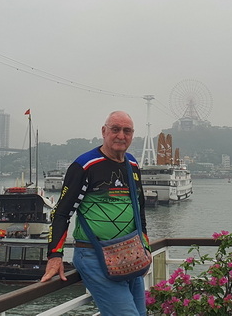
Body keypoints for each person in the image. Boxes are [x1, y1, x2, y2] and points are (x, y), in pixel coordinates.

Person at [40, 111, 148, 316]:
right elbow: (61, 213)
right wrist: (55, 255)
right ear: (104, 131)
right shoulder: (85, 165)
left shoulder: (132, 164)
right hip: (94, 254)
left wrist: (146, 246)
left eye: (127, 131)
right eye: (115, 129)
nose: (121, 136)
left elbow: (139, 207)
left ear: (132, 135)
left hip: (130, 252)